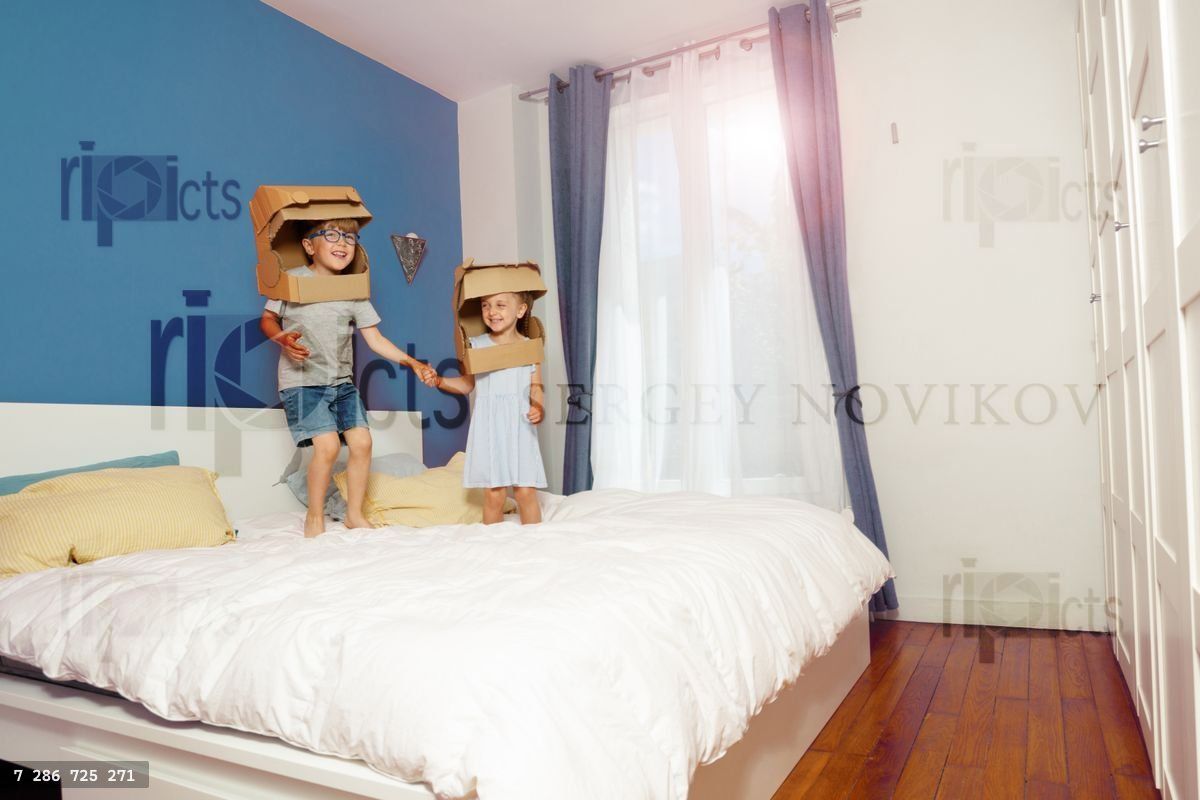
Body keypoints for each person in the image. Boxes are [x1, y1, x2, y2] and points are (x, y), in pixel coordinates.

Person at [260, 218, 424, 537]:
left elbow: (375, 339)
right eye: (332, 235)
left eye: (350, 237)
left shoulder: (353, 290)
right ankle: (314, 517)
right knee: (328, 446)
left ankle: (353, 514)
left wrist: (411, 362)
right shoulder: (292, 280)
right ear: (309, 246)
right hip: (303, 383)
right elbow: (267, 319)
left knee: (362, 442)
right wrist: (282, 338)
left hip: (341, 384)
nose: (343, 243)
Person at [421, 291, 546, 524]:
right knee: (494, 494)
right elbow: (466, 385)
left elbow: (536, 385)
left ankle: (534, 540)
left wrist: (538, 406)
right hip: (489, 426)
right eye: (485, 305)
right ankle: (492, 542)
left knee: (525, 492)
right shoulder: (476, 346)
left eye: (500, 305)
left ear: (520, 310)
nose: (491, 312)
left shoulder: (530, 347)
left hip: (520, 425)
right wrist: (439, 381)